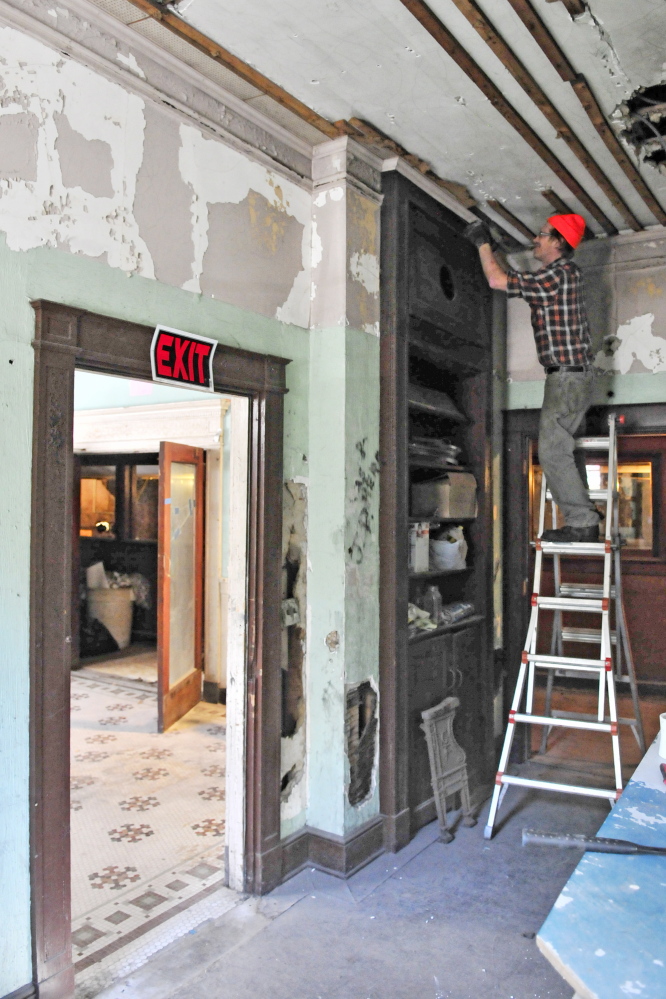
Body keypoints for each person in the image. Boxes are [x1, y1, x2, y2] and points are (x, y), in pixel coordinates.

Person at [465, 213, 600, 543]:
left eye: (541, 235)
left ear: (557, 242)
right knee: (561, 450)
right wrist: (495, 251)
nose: (535, 240)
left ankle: (583, 523)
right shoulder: (558, 276)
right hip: (571, 376)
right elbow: (511, 278)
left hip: (567, 377)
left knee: (553, 452)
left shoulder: (559, 274)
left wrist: (483, 242)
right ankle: (584, 518)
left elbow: (499, 282)